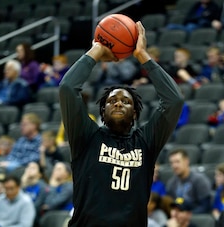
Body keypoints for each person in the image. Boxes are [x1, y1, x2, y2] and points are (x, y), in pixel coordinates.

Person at [59, 21, 184, 226]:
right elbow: (67, 88)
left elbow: (174, 100)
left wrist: (143, 55)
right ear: (102, 111)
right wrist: (97, 50)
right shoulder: (86, 136)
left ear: (135, 112)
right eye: (112, 101)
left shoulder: (146, 140)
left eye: (126, 101)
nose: (118, 103)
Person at [166, 149, 212, 214]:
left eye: (177, 162)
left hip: (195, 217)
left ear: (186, 161)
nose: (174, 166)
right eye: (172, 163)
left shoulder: (200, 180)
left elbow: (206, 207)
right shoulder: (171, 183)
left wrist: (187, 214)